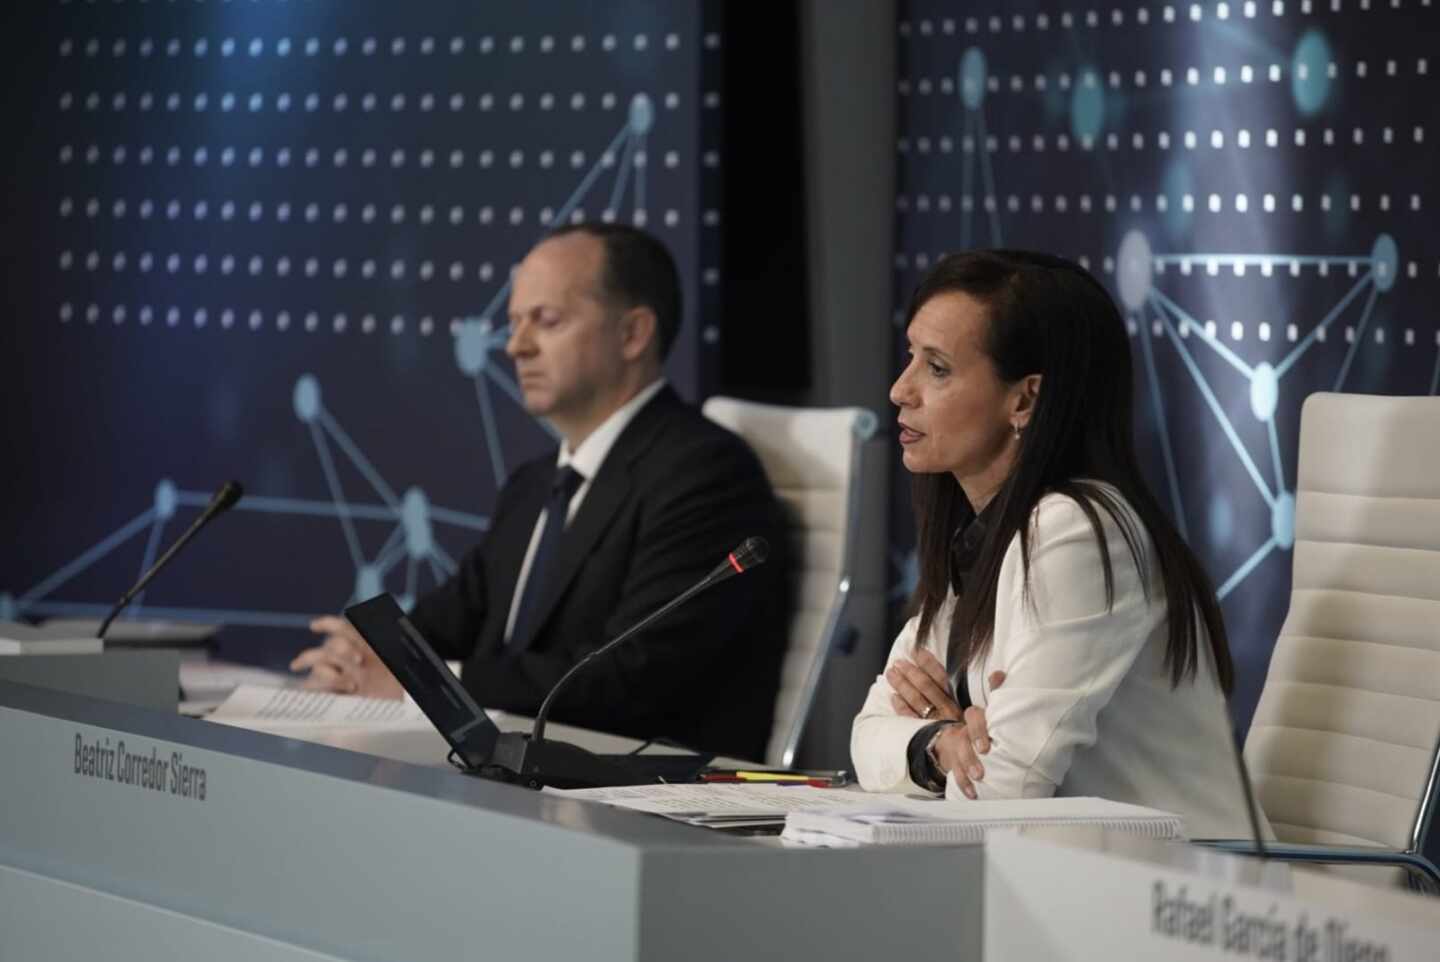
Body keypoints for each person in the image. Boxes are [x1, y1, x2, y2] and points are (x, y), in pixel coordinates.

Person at [291, 224, 788, 761]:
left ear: (633, 334)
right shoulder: (532, 486)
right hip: (517, 782)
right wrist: (370, 657)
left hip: (637, 796)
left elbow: (631, 676)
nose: (515, 346)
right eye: (513, 323)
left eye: (545, 321)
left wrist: (429, 686)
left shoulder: (705, 473)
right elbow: (449, 620)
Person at [851, 249, 1263, 839]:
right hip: (1066, 883)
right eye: (910, 357)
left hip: (1187, 901)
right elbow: (867, 732)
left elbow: (1002, 791)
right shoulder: (979, 533)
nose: (899, 389)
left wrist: (947, 748)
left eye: (937, 368)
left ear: (1024, 400)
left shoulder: (1079, 532)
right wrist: (941, 742)